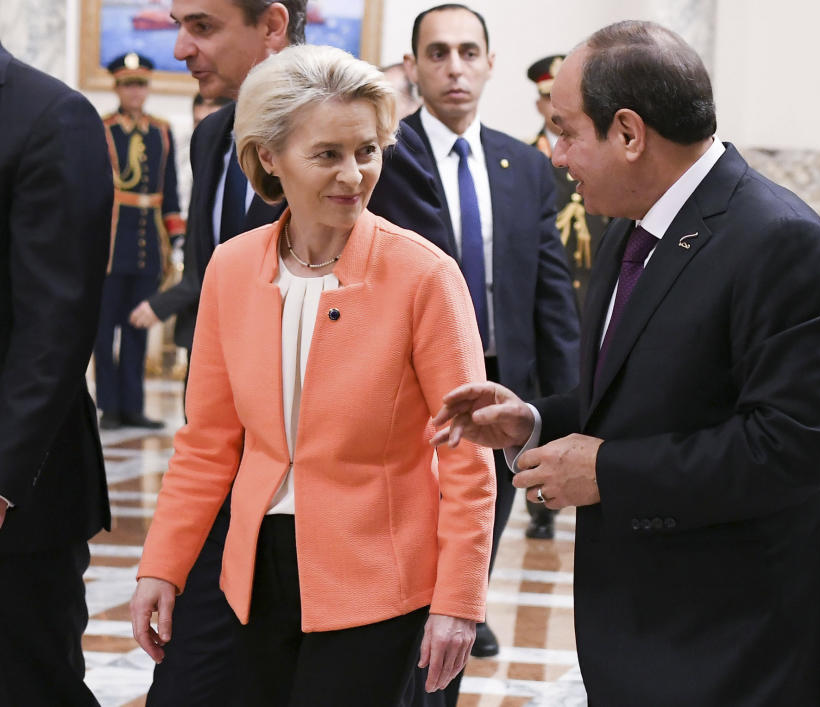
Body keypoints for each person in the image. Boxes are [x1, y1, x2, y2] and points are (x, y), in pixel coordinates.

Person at [433, 20, 820, 706]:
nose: (556, 155)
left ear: (629, 134)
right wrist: (535, 420)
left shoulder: (780, 242)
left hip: (740, 643)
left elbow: (789, 449)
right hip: (647, 630)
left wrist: (603, 471)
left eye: (567, 131)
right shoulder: (631, 227)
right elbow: (635, 393)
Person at [130, 44, 495, 705]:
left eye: (367, 150)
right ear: (269, 157)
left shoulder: (426, 276)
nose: (354, 174)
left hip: (379, 580)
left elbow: (467, 455)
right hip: (252, 576)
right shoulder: (231, 269)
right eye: (328, 154)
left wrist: (460, 601)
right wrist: (163, 564)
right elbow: (207, 440)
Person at [401, 3, 579, 665]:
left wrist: (567, 401)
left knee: (490, 499)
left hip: (505, 371)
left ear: (490, 64)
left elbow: (551, 290)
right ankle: (421, 604)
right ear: (415, 66)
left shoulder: (524, 165)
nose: (454, 68)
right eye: (438, 53)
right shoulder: (387, 156)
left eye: (468, 53)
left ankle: (465, 602)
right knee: (422, 505)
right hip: (415, 376)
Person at [0, 44, 113, 705]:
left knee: (27, 686)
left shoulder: (49, 115)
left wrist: (3, 474)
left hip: (21, 496)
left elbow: (57, 322)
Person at [523, 53, 608, 540]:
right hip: (554, 298)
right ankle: (542, 505)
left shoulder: (598, 160)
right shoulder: (529, 160)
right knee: (550, 393)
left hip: (591, 288)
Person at [96, 52, 185, 430]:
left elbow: (172, 189)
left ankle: (133, 406)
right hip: (112, 246)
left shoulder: (161, 131)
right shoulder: (103, 129)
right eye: (129, 84)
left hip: (150, 247)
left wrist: (177, 236)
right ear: (117, 87)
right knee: (104, 331)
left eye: (141, 84)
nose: (136, 91)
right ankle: (110, 407)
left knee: (137, 327)